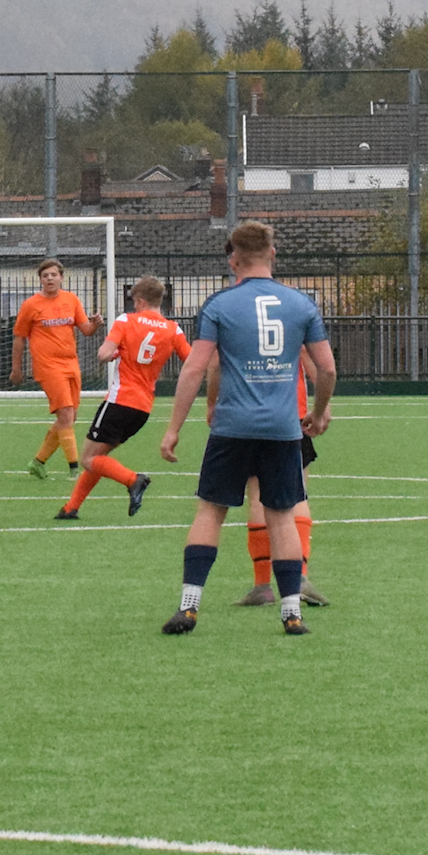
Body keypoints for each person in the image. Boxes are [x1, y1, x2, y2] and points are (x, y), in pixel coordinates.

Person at [157, 222, 334, 637]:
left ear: (233, 259)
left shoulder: (219, 305)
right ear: (273, 254)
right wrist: (321, 412)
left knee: (211, 511)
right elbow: (326, 368)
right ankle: (291, 613)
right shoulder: (301, 304)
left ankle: (189, 607)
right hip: (282, 428)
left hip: (232, 428)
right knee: (282, 516)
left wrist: (173, 428)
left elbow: (198, 367)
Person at [54, 274, 184, 521]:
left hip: (119, 401)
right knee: (99, 458)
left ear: (142, 300)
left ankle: (134, 480)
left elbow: (103, 354)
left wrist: (116, 351)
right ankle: (71, 508)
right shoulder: (173, 329)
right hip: (143, 409)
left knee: (88, 459)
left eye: (135, 301)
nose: (134, 306)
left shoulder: (127, 320)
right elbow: (190, 360)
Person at [235, 358, 327, 607]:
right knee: (297, 495)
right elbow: (318, 364)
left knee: (256, 496)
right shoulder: (294, 317)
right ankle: (299, 578)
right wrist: (323, 406)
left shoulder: (237, 318)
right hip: (289, 415)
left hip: (247, 415)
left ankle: (262, 586)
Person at [11, 258, 102, 480]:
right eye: (45, 275)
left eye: (53, 274)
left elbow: (86, 330)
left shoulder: (71, 299)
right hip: (48, 366)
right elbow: (19, 338)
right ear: (40, 280)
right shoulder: (31, 305)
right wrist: (16, 369)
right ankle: (74, 469)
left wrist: (96, 324)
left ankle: (38, 462)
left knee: (69, 418)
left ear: (61, 277)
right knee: (65, 414)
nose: (49, 278)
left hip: (71, 364)